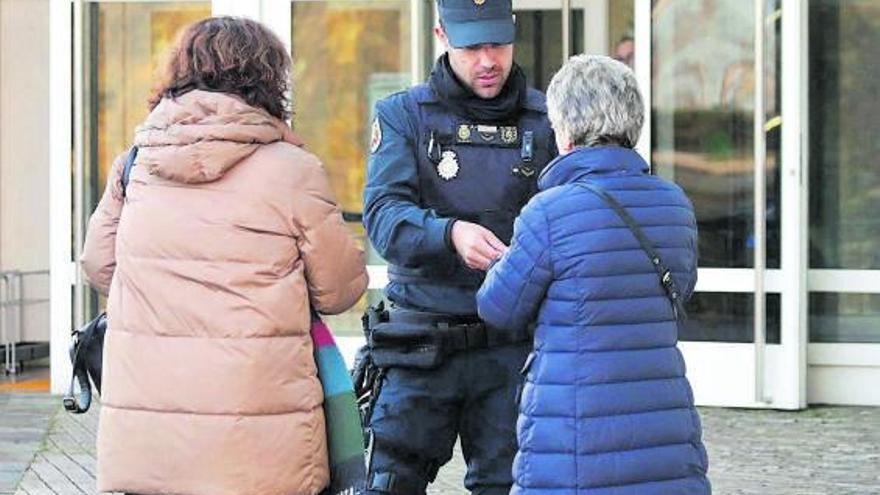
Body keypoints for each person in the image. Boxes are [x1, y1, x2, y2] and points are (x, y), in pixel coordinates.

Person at [81, 17, 367, 495]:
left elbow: (98, 265)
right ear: (268, 79)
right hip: (262, 441)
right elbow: (340, 290)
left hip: (153, 441)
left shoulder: (135, 164)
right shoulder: (292, 170)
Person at [477, 55, 711, 494]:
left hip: (573, 436)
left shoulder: (549, 212)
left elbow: (499, 308)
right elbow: (681, 287)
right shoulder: (675, 203)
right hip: (664, 425)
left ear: (564, 130)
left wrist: (498, 261)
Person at [358, 0, 557, 493]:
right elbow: (384, 219)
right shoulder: (404, 115)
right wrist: (449, 233)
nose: (488, 60)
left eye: (498, 44)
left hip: (508, 349)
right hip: (421, 345)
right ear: (442, 36)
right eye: (472, 47)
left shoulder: (545, 120)